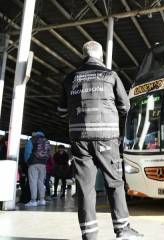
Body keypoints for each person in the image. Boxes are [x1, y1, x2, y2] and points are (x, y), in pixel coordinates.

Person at [57, 41, 143, 240]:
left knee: (85, 188)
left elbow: (61, 111)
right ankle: (123, 230)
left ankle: (89, 235)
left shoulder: (69, 78)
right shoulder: (110, 76)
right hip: (106, 137)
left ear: (83, 55)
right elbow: (125, 106)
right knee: (114, 182)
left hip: (79, 139)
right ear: (101, 56)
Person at [24, 131, 51, 207]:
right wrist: (44, 161)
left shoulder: (32, 140)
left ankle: (33, 201)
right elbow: (49, 153)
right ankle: (42, 200)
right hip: (43, 164)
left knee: (33, 182)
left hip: (33, 163)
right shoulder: (47, 141)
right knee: (41, 182)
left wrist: (27, 161)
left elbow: (27, 152)